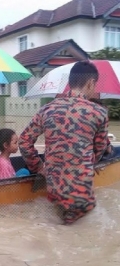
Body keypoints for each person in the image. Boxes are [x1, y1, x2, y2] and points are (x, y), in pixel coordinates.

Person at [19, 60, 110, 224]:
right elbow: (99, 149)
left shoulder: (47, 109)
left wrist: (38, 167)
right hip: (82, 190)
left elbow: (24, 141)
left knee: (58, 224)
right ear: (91, 83)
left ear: (69, 82)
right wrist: (90, 164)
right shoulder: (99, 112)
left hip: (54, 189)